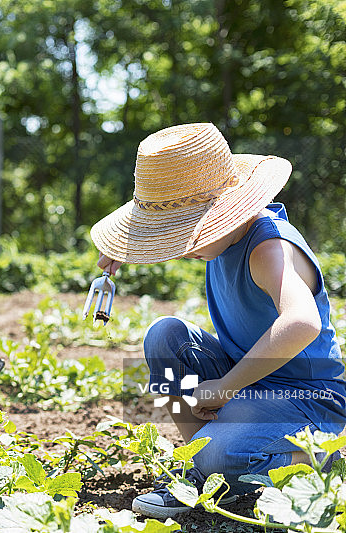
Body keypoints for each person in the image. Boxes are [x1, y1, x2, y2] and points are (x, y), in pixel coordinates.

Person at [89, 123, 346, 519]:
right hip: (254, 382)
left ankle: (319, 464)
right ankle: (204, 470)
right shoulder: (224, 239)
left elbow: (302, 323)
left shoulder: (268, 247)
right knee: (165, 336)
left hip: (308, 398)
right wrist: (131, 247)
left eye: (183, 233)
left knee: (221, 451)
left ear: (224, 212)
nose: (179, 246)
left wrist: (225, 387)